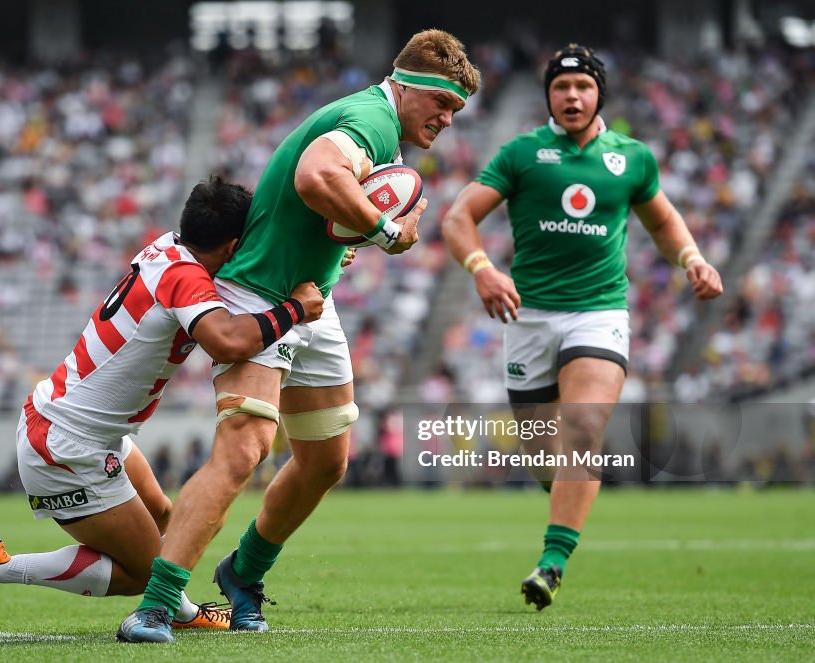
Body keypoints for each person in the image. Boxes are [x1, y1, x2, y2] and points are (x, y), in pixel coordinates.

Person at [119, 30, 480, 643]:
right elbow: (317, 175)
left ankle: (242, 573)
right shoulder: (370, 117)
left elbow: (324, 206)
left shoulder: (380, 126)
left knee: (325, 460)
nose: (448, 120)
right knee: (244, 449)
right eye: (442, 105)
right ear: (410, 88)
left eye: (456, 112)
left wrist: (359, 234)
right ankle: (155, 604)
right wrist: (387, 232)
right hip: (262, 290)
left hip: (313, 298)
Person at [0, 176, 324, 631]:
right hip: (66, 446)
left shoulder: (168, 248)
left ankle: (181, 608)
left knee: (171, 521)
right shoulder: (184, 277)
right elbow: (228, 342)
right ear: (232, 245)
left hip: (84, 426)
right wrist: (294, 309)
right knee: (144, 575)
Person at [441, 44, 723, 610]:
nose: (573, 96)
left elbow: (663, 219)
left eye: (584, 87)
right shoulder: (522, 154)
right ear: (549, 95)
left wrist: (691, 257)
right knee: (549, 455)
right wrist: (482, 269)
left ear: (599, 95)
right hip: (528, 318)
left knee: (582, 431)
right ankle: (570, 495)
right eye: (562, 87)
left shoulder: (633, 158)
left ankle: (552, 562)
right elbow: (457, 217)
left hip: (599, 312)